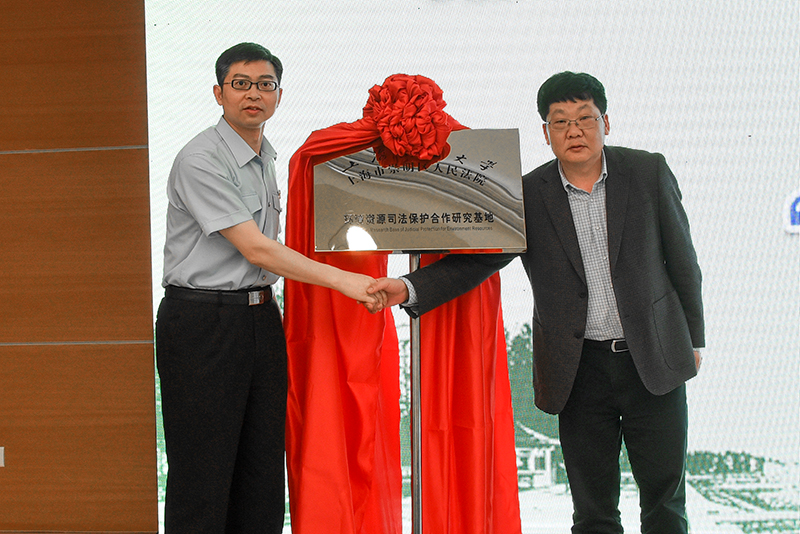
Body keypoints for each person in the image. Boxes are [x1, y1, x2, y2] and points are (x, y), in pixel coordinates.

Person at [369, 71, 704, 534]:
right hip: (578, 369)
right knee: (593, 512)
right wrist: (409, 287)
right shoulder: (527, 194)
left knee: (666, 505)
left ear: (606, 122)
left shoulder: (648, 172)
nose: (574, 130)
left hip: (653, 357)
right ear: (546, 133)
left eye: (585, 118)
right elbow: (479, 261)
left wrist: (694, 339)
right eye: (560, 121)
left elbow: (683, 260)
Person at [156, 42, 383, 533]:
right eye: (240, 84)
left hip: (259, 317)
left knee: (261, 471)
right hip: (203, 323)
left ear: (279, 94)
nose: (253, 94)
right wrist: (345, 280)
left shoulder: (266, 157)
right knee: (204, 473)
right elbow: (256, 249)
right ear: (218, 93)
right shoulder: (201, 158)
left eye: (265, 85)